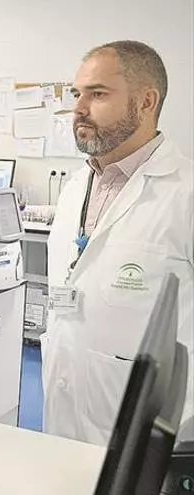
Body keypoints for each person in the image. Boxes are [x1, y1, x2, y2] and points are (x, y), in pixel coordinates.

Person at [42, 40, 193, 446]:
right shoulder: (76, 187)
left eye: (97, 94)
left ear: (146, 102)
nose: (78, 108)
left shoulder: (186, 193)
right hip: (63, 418)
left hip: (150, 434)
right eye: (77, 94)